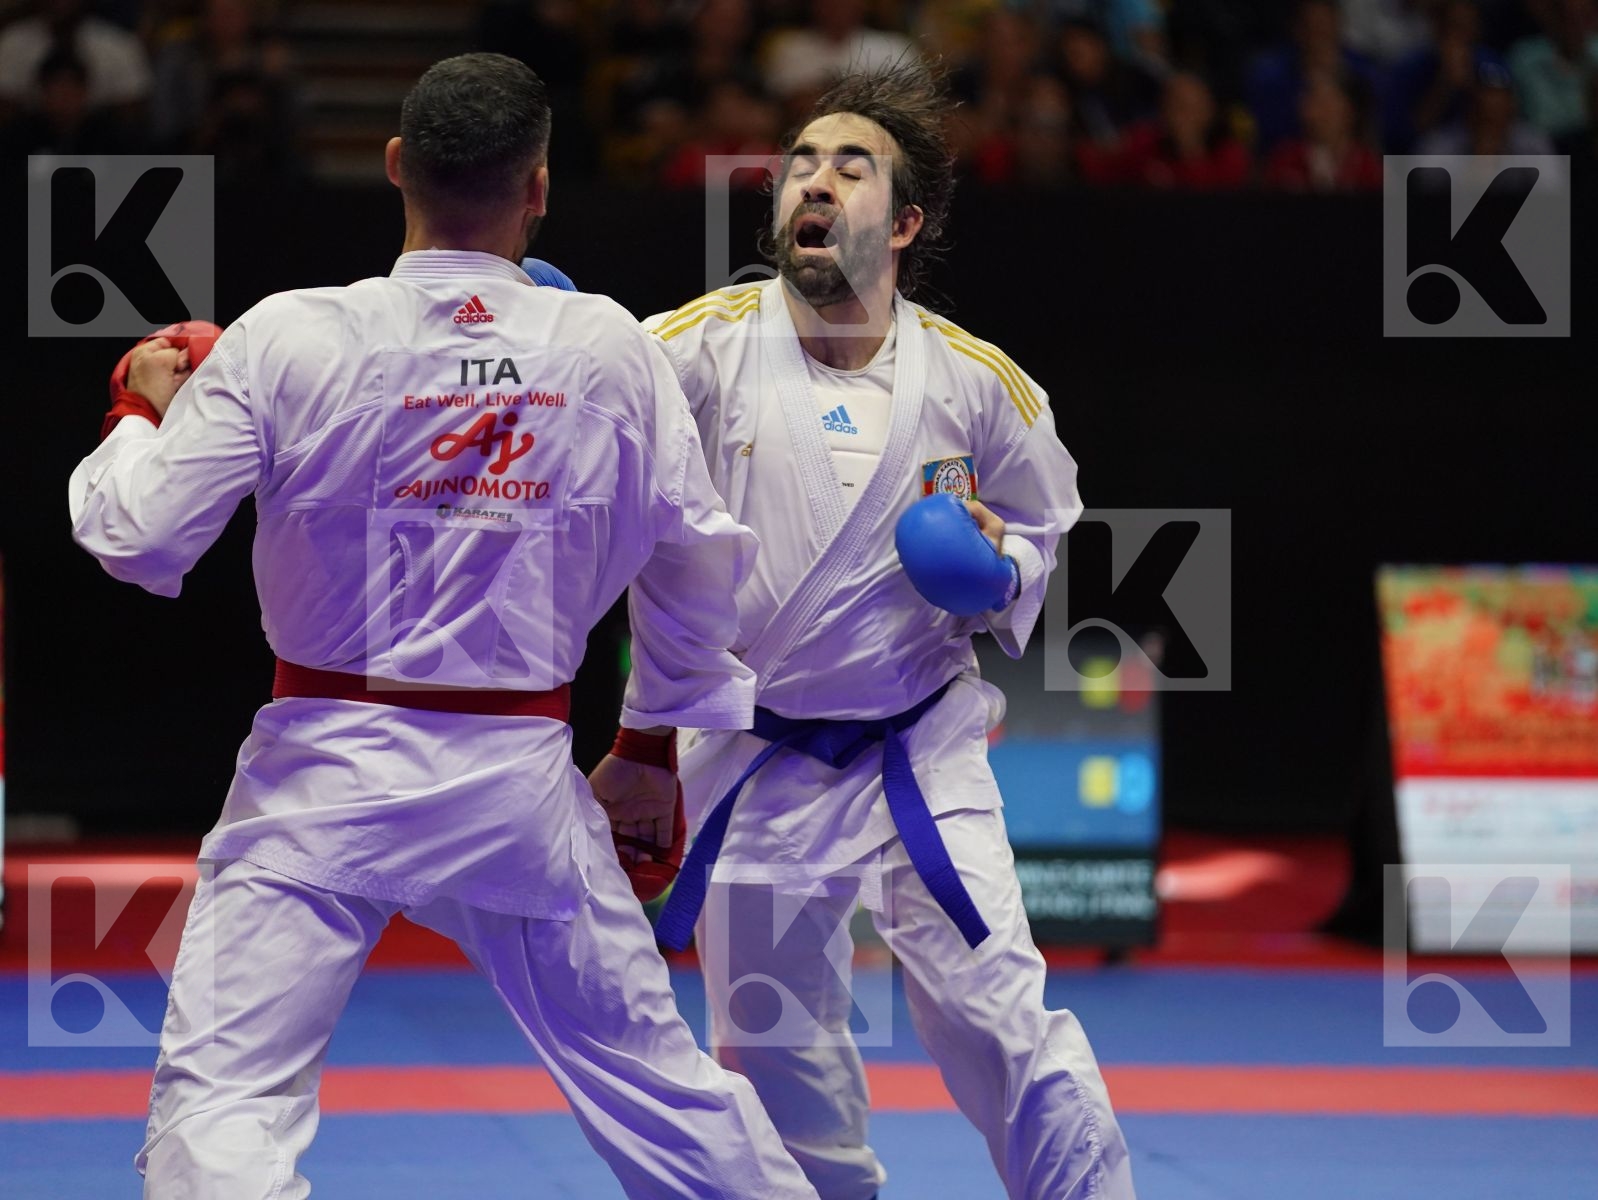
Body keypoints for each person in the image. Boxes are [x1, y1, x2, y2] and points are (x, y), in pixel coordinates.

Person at [68, 52, 818, 1200]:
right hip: (516, 785)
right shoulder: (605, 346)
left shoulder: (288, 335)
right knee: (663, 1091)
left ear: (393, 166)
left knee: (224, 1106)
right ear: (539, 187)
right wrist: (646, 745)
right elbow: (695, 563)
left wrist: (136, 411)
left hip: (320, 775)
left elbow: (138, 537)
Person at [589, 59, 1136, 1200]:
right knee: (777, 1060)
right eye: (800, 164)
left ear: (905, 222)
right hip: (755, 752)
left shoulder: (978, 383)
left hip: (917, 750)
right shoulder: (693, 346)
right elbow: (584, 400)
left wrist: (998, 567)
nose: (814, 181)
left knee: (1000, 1018)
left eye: (851, 167)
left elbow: (1045, 522)